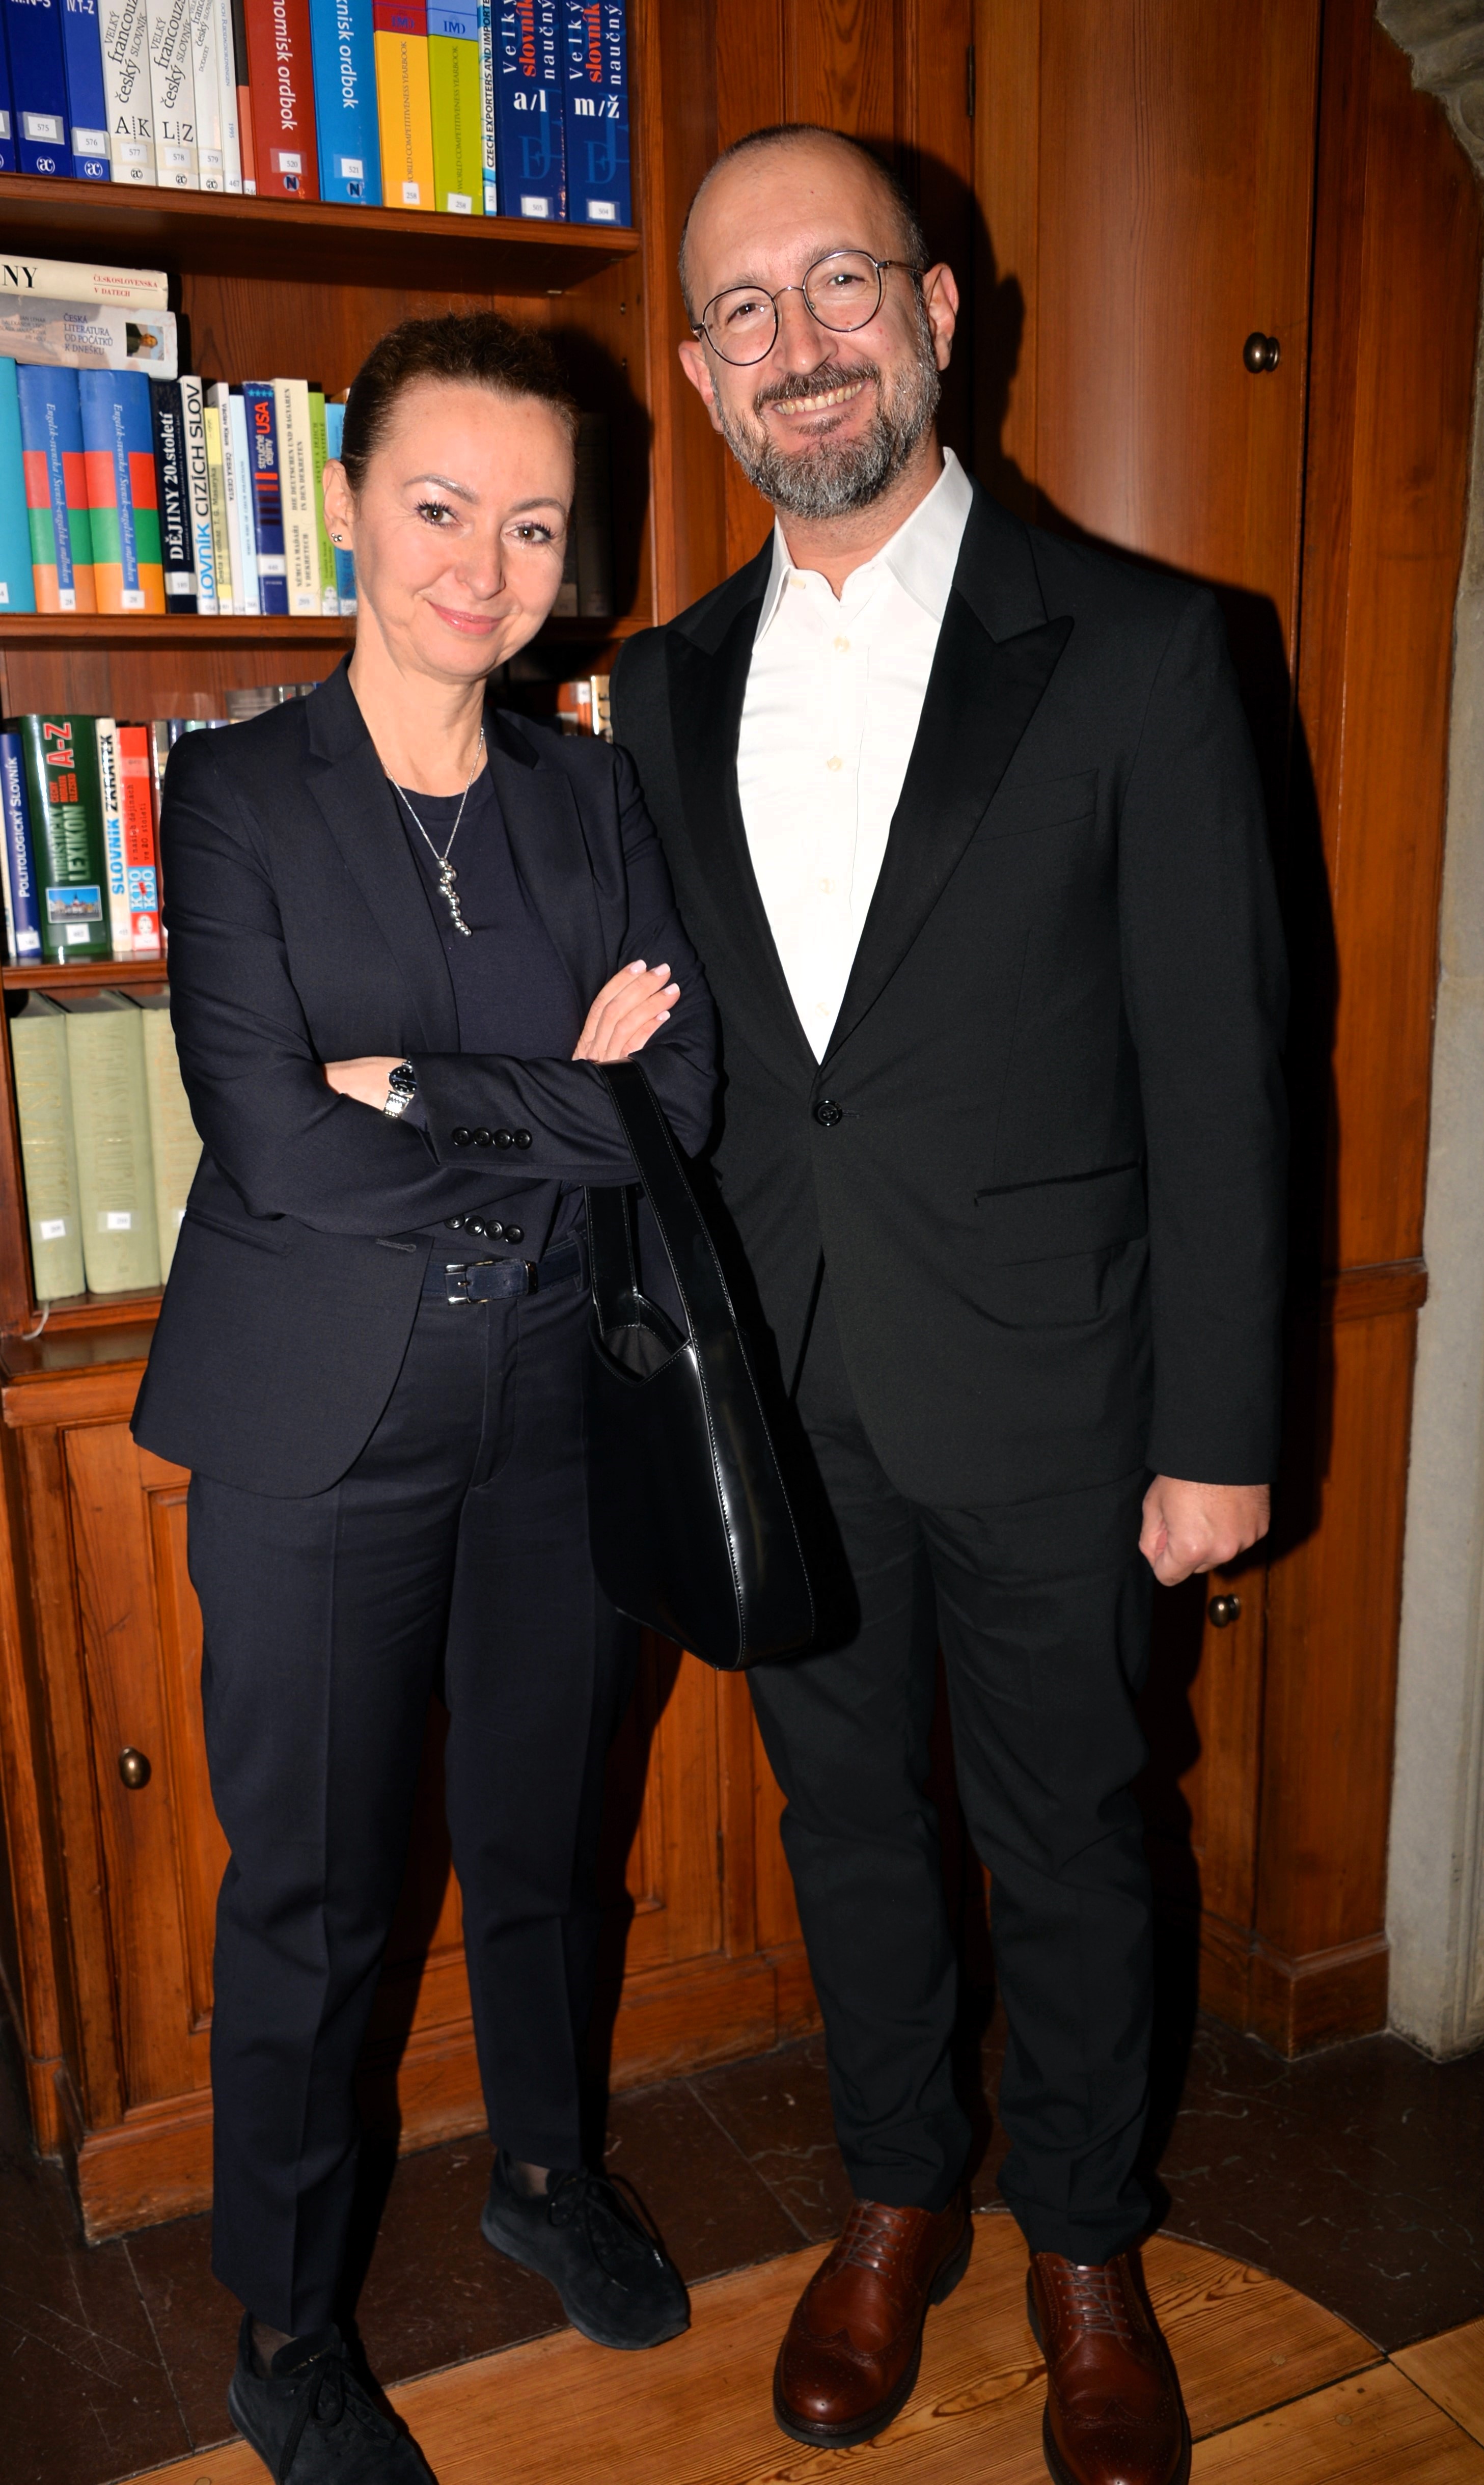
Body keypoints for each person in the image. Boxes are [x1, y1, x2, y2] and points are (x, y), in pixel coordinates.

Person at [611, 125, 1286, 2485]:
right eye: (746, 311)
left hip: (1061, 1393)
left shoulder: (1149, 650)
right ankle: (897, 2191)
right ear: (705, 377)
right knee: (848, 1828)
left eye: (840, 285)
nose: (798, 343)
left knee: (1077, 1834)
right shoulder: (656, 691)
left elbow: (1224, 1072)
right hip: (784, 1400)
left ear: (936, 312)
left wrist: (1218, 1427)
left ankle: (1086, 2242)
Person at [132, 311, 714, 2485]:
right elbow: (276, 1146)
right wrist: (553, 1093)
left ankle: (545, 2171)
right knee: (316, 1894)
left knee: (547, 1834)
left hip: (558, 1401)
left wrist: (424, 1083)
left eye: (534, 525)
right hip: (319, 1431)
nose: (484, 566)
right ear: (350, 504)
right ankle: (288, 2328)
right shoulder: (236, 791)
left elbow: (678, 1098)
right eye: (443, 507)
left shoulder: (590, 791)